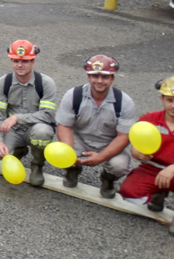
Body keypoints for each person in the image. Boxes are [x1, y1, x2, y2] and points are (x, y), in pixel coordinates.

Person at [55, 55, 136, 198]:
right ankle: (72, 170)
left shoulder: (124, 102)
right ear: (88, 76)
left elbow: (123, 137)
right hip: (79, 140)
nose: (99, 81)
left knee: (120, 165)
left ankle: (107, 179)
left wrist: (101, 157)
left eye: (105, 77)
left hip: (107, 144)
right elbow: (64, 126)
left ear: (113, 78)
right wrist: (69, 153)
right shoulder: (74, 95)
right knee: (61, 151)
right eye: (95, 75)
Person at [0, 40, 58, 181]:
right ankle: (20, 148)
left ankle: (37, 165)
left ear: (33, 62)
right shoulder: (3, 83)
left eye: (25, 61)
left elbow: (48, 114)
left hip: (34, 128)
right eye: (15, 61)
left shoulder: (46, 83)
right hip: (13, 130)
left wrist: (17, 118)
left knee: (42, 133)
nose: (19, 65)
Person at [119, 77, 174, 225]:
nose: (173, 105)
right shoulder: (149, 119)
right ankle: (158, 193)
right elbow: (136, 142)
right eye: (170, 100)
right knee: (129, 193)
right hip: (152, 168)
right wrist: (136, 151)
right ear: (162, 99)